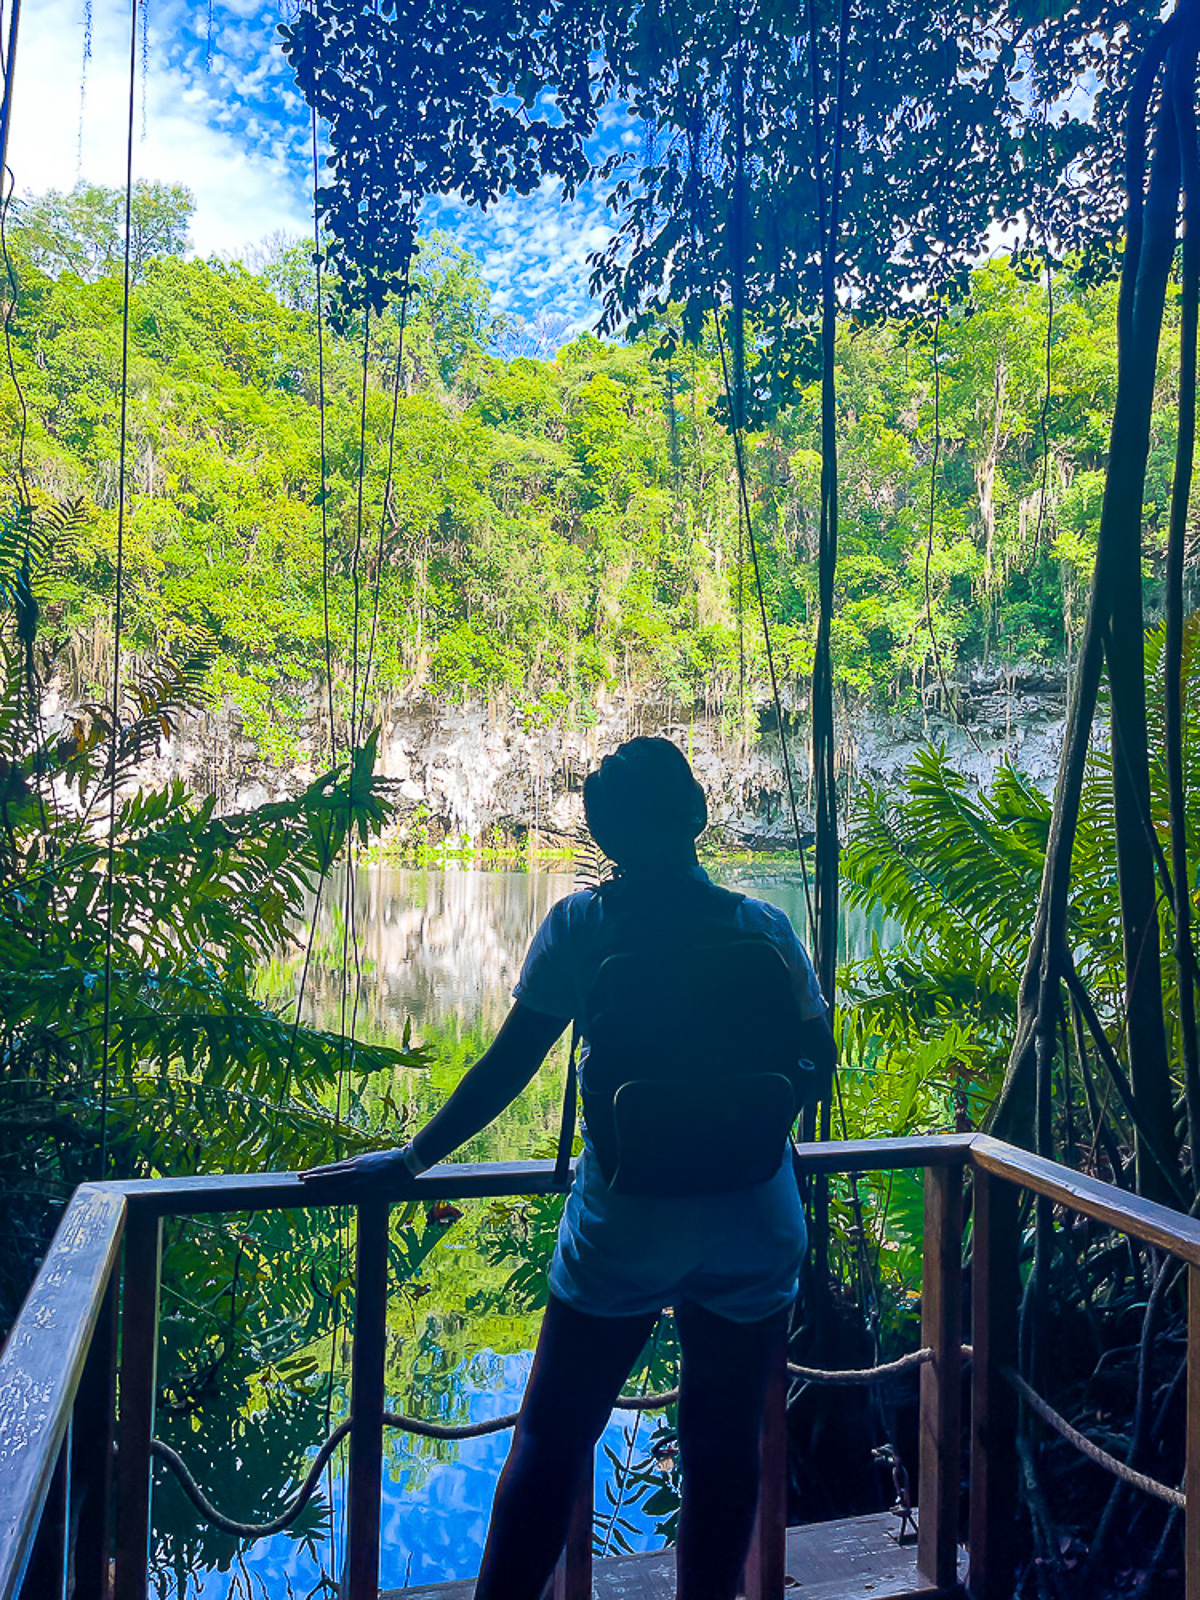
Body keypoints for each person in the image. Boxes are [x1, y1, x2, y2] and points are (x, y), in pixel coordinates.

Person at [302, 736, 835, 1600]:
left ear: (601, 832)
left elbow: (506, 1071)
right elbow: (820, 1064)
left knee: (553, 1436)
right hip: (754, 1214)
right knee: (726, 1443)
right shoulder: (764, 928)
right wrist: (739, 1123)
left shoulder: (583, 929)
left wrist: (413, 1158)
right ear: (697, 816)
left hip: (626, 1222)